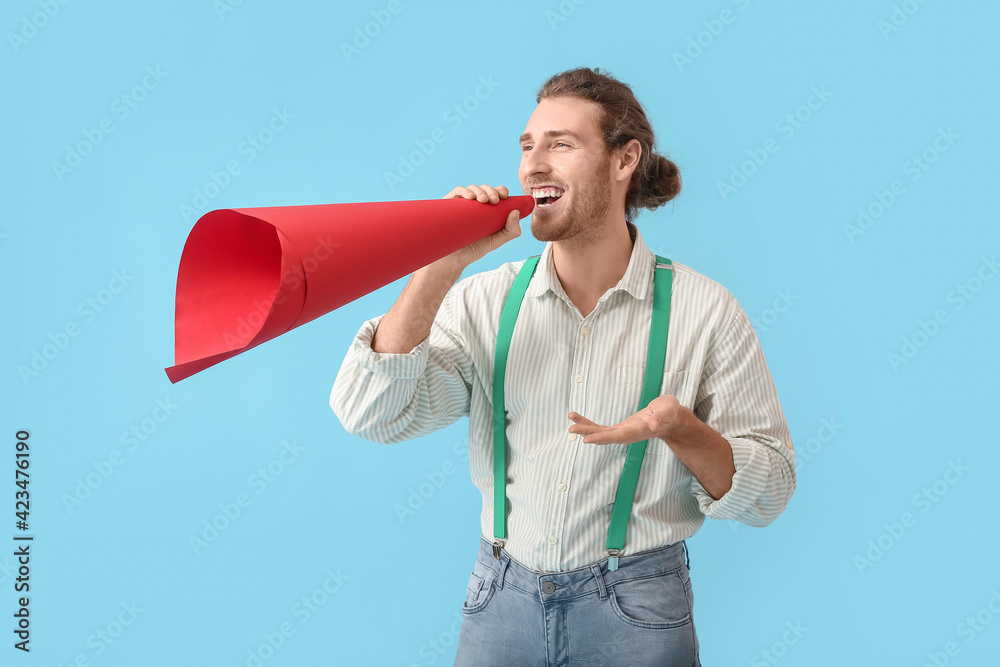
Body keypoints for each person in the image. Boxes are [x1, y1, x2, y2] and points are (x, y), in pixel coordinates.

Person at [330, 66, 795, 666]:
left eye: (561, 144)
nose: (532, 165)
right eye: (527, 145)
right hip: (500, 601)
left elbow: (771, 493)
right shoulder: (483, 301)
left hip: (638, 610)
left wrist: (682, 430)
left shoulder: (704, 311)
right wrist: (438, 269)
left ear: (625, 160)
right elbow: (370, 414)